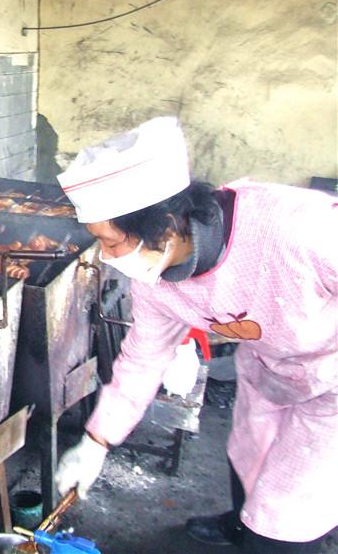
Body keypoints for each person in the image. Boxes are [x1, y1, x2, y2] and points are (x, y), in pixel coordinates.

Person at [54, 116, 337, 553]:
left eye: (111, 242)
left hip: (332, 383)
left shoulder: (299, 229)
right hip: (267, 369)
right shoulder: (157, 282)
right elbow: (143, 360)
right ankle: (240, 526)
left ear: (164, 224)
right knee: (250, 457)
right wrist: (96, 440)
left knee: (285, 514)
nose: (107, 257)